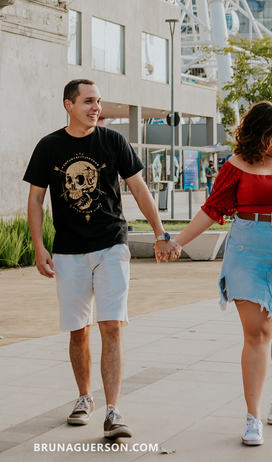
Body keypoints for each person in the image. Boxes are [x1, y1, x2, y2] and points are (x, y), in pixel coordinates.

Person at [155, 102, 272, 446]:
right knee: (257, 333)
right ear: (256, 133)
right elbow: (213, 209)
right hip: (248, 250)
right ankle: (252, 417)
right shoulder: (236, 166)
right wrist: (177, 242)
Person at [25, 79, 174, 441]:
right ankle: (83, 398)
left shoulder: (113, 141)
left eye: (99, 101)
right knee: (80, 330)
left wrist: (160, 233)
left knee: (111, 326)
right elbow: (35, 200)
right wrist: (39, 246)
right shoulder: (49, 146)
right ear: (68, 105)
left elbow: (139, 189)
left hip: (111, 245)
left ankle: (113, 410)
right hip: (69, 251)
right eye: (88, 101)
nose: (96, 107)